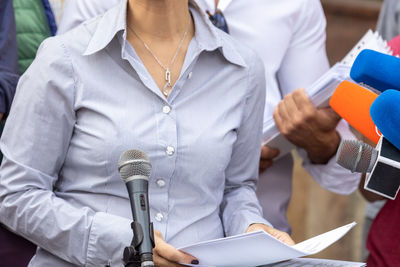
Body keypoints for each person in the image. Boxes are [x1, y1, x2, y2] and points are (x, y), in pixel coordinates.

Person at [0, 0, 294, 266]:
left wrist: (253, 228)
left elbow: (236, 189)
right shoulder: (64, 59)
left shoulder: (242, 68)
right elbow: (15, 194)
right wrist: (124, 245)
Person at [57, 0, 361, 234]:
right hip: (124, 244)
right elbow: (51, 146)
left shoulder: (298, 6)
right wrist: (214, 151)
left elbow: (354, 170)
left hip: (257, 238)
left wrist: (328, 145)